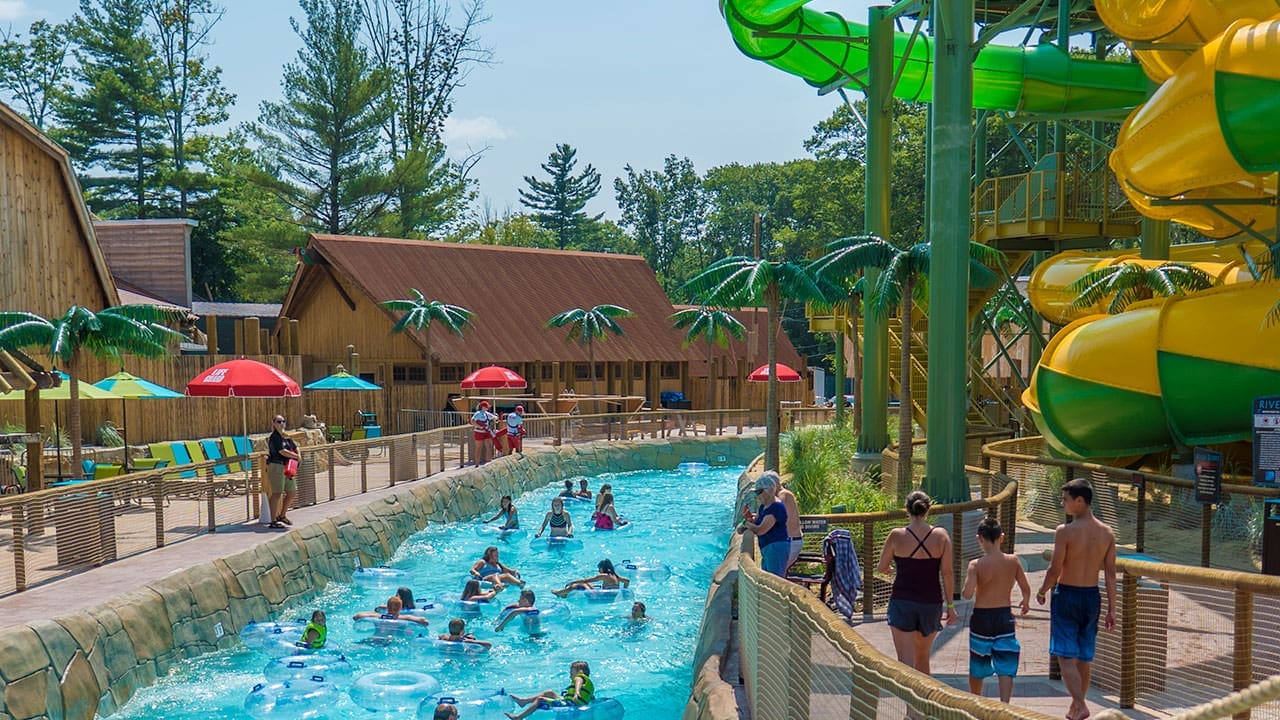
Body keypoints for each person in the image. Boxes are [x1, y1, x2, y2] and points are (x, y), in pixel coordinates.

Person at [1036, 479, 1117, 720]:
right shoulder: (1107, 533)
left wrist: (1042, 590)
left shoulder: (1066, 531)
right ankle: (1075, 708)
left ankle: (1080, 704)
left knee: (1064, 655)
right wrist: (1113, 608)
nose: (1063, 504)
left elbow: (1055, 568)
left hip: (1068, 594)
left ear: (1080, 501)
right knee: (1083, 655)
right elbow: (1110, 573)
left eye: (1066, 500)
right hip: (1092, 596)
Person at [876, 490, 957, 677]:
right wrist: (950, 605)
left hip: (902, 601)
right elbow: (947, 573)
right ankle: (924, 705)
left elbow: (881, 566)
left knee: (905, 665)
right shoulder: (941, 536)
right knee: (923, 661)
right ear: (928, 510)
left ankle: (910, 707)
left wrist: (890, 569)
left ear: (907, 510)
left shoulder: (896, 535)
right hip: (931, 603)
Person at [962, 516, 1030, 703]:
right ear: (1002, 537)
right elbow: (1025, 587)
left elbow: (967, 594)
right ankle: (1005, 705)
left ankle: (976, 701)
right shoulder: (1013, 561)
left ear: (979, 538)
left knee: (978, 662)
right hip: (1004, 616)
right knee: (1006, 662)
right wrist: (1025, 601)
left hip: (982, 618)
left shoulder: (976, 565)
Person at [505, 660, 594, 719]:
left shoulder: (579, 677)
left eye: (571, 672)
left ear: (580, 671)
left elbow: (578, 681)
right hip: (569, 701)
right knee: (550, 692)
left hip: (570, 704)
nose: (570, 675)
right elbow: (590, 698)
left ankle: (519, 717)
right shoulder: (589, 685)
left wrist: (576, 692)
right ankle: (523, 701)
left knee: (540, 700)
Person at [740, 473, 789, 577]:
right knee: (767, 578)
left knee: (775, 580)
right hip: (767, 548)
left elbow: (760, 530)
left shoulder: (776, 507)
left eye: (759, 491)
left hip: (776, 548)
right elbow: (755, 521)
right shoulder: (763, 506)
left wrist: (747, 524)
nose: (757, 495)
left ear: (769, 490)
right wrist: (747, 518)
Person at [265, 415, 300, 529]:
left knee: (292, 492)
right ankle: (273, 520)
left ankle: (282, 515)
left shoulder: (286, 436)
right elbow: (282, 451)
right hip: (276, 466)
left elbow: (295, 446)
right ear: (274, 423)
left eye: (283, 421)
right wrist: (295, 456)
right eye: (279, 421)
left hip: (288, 467)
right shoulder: (274, 437)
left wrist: (298, 455)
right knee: (277, 493)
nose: (281, 424)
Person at [552, 559, 630, 597]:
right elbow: (627, 581)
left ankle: (559, 593)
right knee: (586, 584)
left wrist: (573, 582)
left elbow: (586, 580)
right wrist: (624, 592)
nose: (598, 570)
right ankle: (564, 594)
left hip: (601, 598)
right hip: (609, 597)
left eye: (599, 568)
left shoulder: (604, 576)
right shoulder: (614, 575)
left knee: (577, 585)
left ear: (603, 568)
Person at [775, 474, 804, 574]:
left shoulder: (784, 494)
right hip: (788, 541)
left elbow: (778, 503)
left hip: (791, 541)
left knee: (776, 573)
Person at [354, 595, 430, 626]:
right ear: (400, 608)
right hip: (391, 642)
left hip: (375, 639)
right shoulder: (404, 618)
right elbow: (425, 622)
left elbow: (356, 617)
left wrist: (373, 614)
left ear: (387, 607)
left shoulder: (378, 616)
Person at [471, 401, 497, 466]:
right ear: (482, 407)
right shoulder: (478, 413)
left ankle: (488, 461)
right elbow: (472, 421)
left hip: (486, 431)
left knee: (489, 446)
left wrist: (496, 417)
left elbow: (494, 417)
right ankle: (477, 463)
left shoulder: (486, 414)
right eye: (486, 407)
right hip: (479, 432)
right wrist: (479, 426)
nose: (487, 408)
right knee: (478, 447)